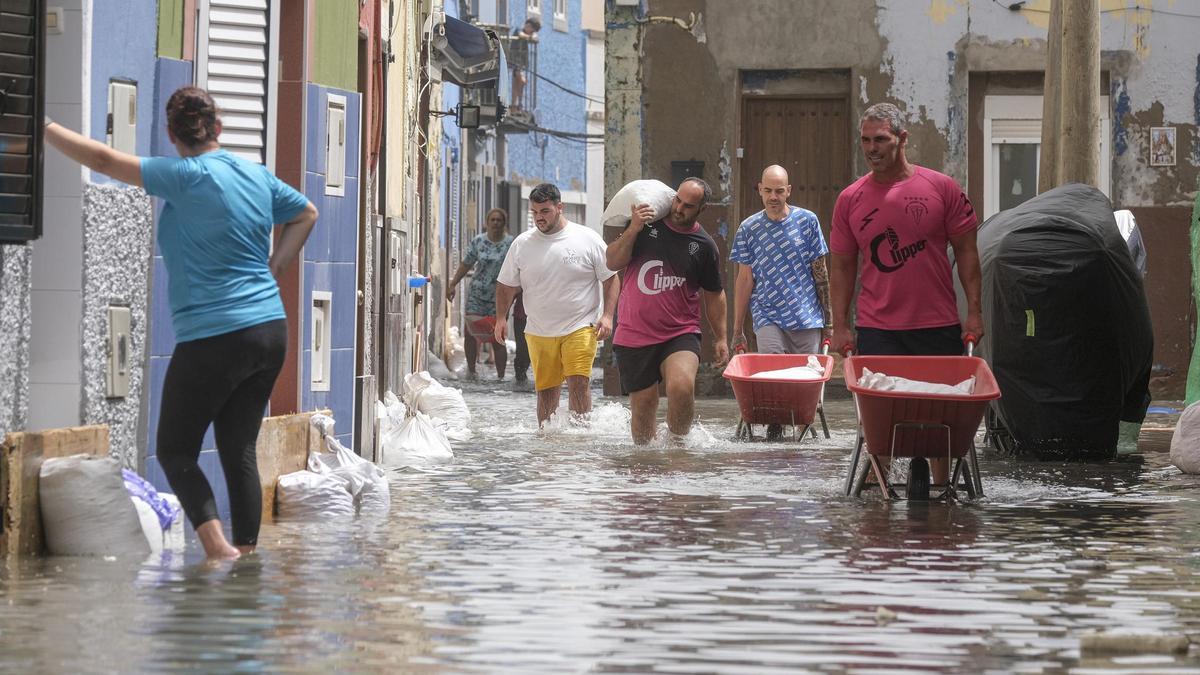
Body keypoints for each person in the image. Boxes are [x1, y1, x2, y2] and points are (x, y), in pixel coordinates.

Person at [43, 86, 318, 559]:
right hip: (269, 330)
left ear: (172, 134)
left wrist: (42, 125)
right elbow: (305, 212)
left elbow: (105, 161)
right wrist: (275, 267)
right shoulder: (253, 174)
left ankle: (217, 549)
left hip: (215, 334)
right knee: (239, 449)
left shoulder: (187, 176)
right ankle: (246, 558)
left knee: (174, 449)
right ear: (219, 129)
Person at [829, 102, 983, 499]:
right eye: (865, 140)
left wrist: (975, 313)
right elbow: (843, 267)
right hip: (879, 327)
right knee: (880, 421)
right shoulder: (850, 199)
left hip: (937, 324)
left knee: (941, 416)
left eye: (880, 139)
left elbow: (967, 251)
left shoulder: (942, 188)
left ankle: (943, 486)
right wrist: (841, 325)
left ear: (902, 139)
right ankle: (877, 486)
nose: (871, 148)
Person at [605, 178, 729, 444]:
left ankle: (678, 448)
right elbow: (612, 260)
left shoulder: (704, 245)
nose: (679, 208)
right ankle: (645, 468)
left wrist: (721, 338)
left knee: (682, 387)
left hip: (680, 332)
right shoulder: (644, 227)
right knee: (644, 406)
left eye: (688, 206)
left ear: (701, 209)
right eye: (678, 201)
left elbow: (715, 293)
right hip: (633, 333)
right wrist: (634, 228)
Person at [495, 183, 619, 425]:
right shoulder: (522, 244)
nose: (539, 218)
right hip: (539, 330)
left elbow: (611, 277)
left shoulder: (587, 238)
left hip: (581, 326)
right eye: (535, 213)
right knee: (547, 392)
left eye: (545, 211)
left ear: (559, 207)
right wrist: (501, 318)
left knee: (579, 382)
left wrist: (607, 315)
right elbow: (506, 285)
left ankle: (581, 436)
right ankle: (547, 446)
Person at [729, 164, 831, 439]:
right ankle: (775, 425)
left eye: (779, 191)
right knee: (774, 373)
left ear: (788, 191)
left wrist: (829, 321)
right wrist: (737, 330)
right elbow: (744, 280)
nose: (774, 196)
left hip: (806, 314)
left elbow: (820, 273)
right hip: (767, 313)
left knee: (803, 381)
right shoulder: (749, 229)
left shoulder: (807, 222)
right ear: (760, 191)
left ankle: (801, 433)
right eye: (768, 191)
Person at [446, 208, 514, 380]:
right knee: (470, 332)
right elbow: (466, 264)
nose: (496, 223)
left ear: (504, 223)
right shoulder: (479, 242)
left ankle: (500, 376)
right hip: (477, 294)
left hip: (499, 297)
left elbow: (518, 269)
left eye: (499, 220)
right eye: (493, 220)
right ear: (487, 222)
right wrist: (453, 283)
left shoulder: (511, 244)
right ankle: (471, 370)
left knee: (498, 335)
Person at [509, 17, 541, 111]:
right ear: (528, 26)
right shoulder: (519, 29)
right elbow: (521, 35)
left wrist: (532, 35)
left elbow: (535, 37)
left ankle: (516, 104)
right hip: (515, 60)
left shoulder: (530, 33)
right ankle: (517, 103)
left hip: (521, 61)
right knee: (521, 80)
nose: (531, 32)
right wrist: (530, 37)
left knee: (517, 83)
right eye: (531, 30)